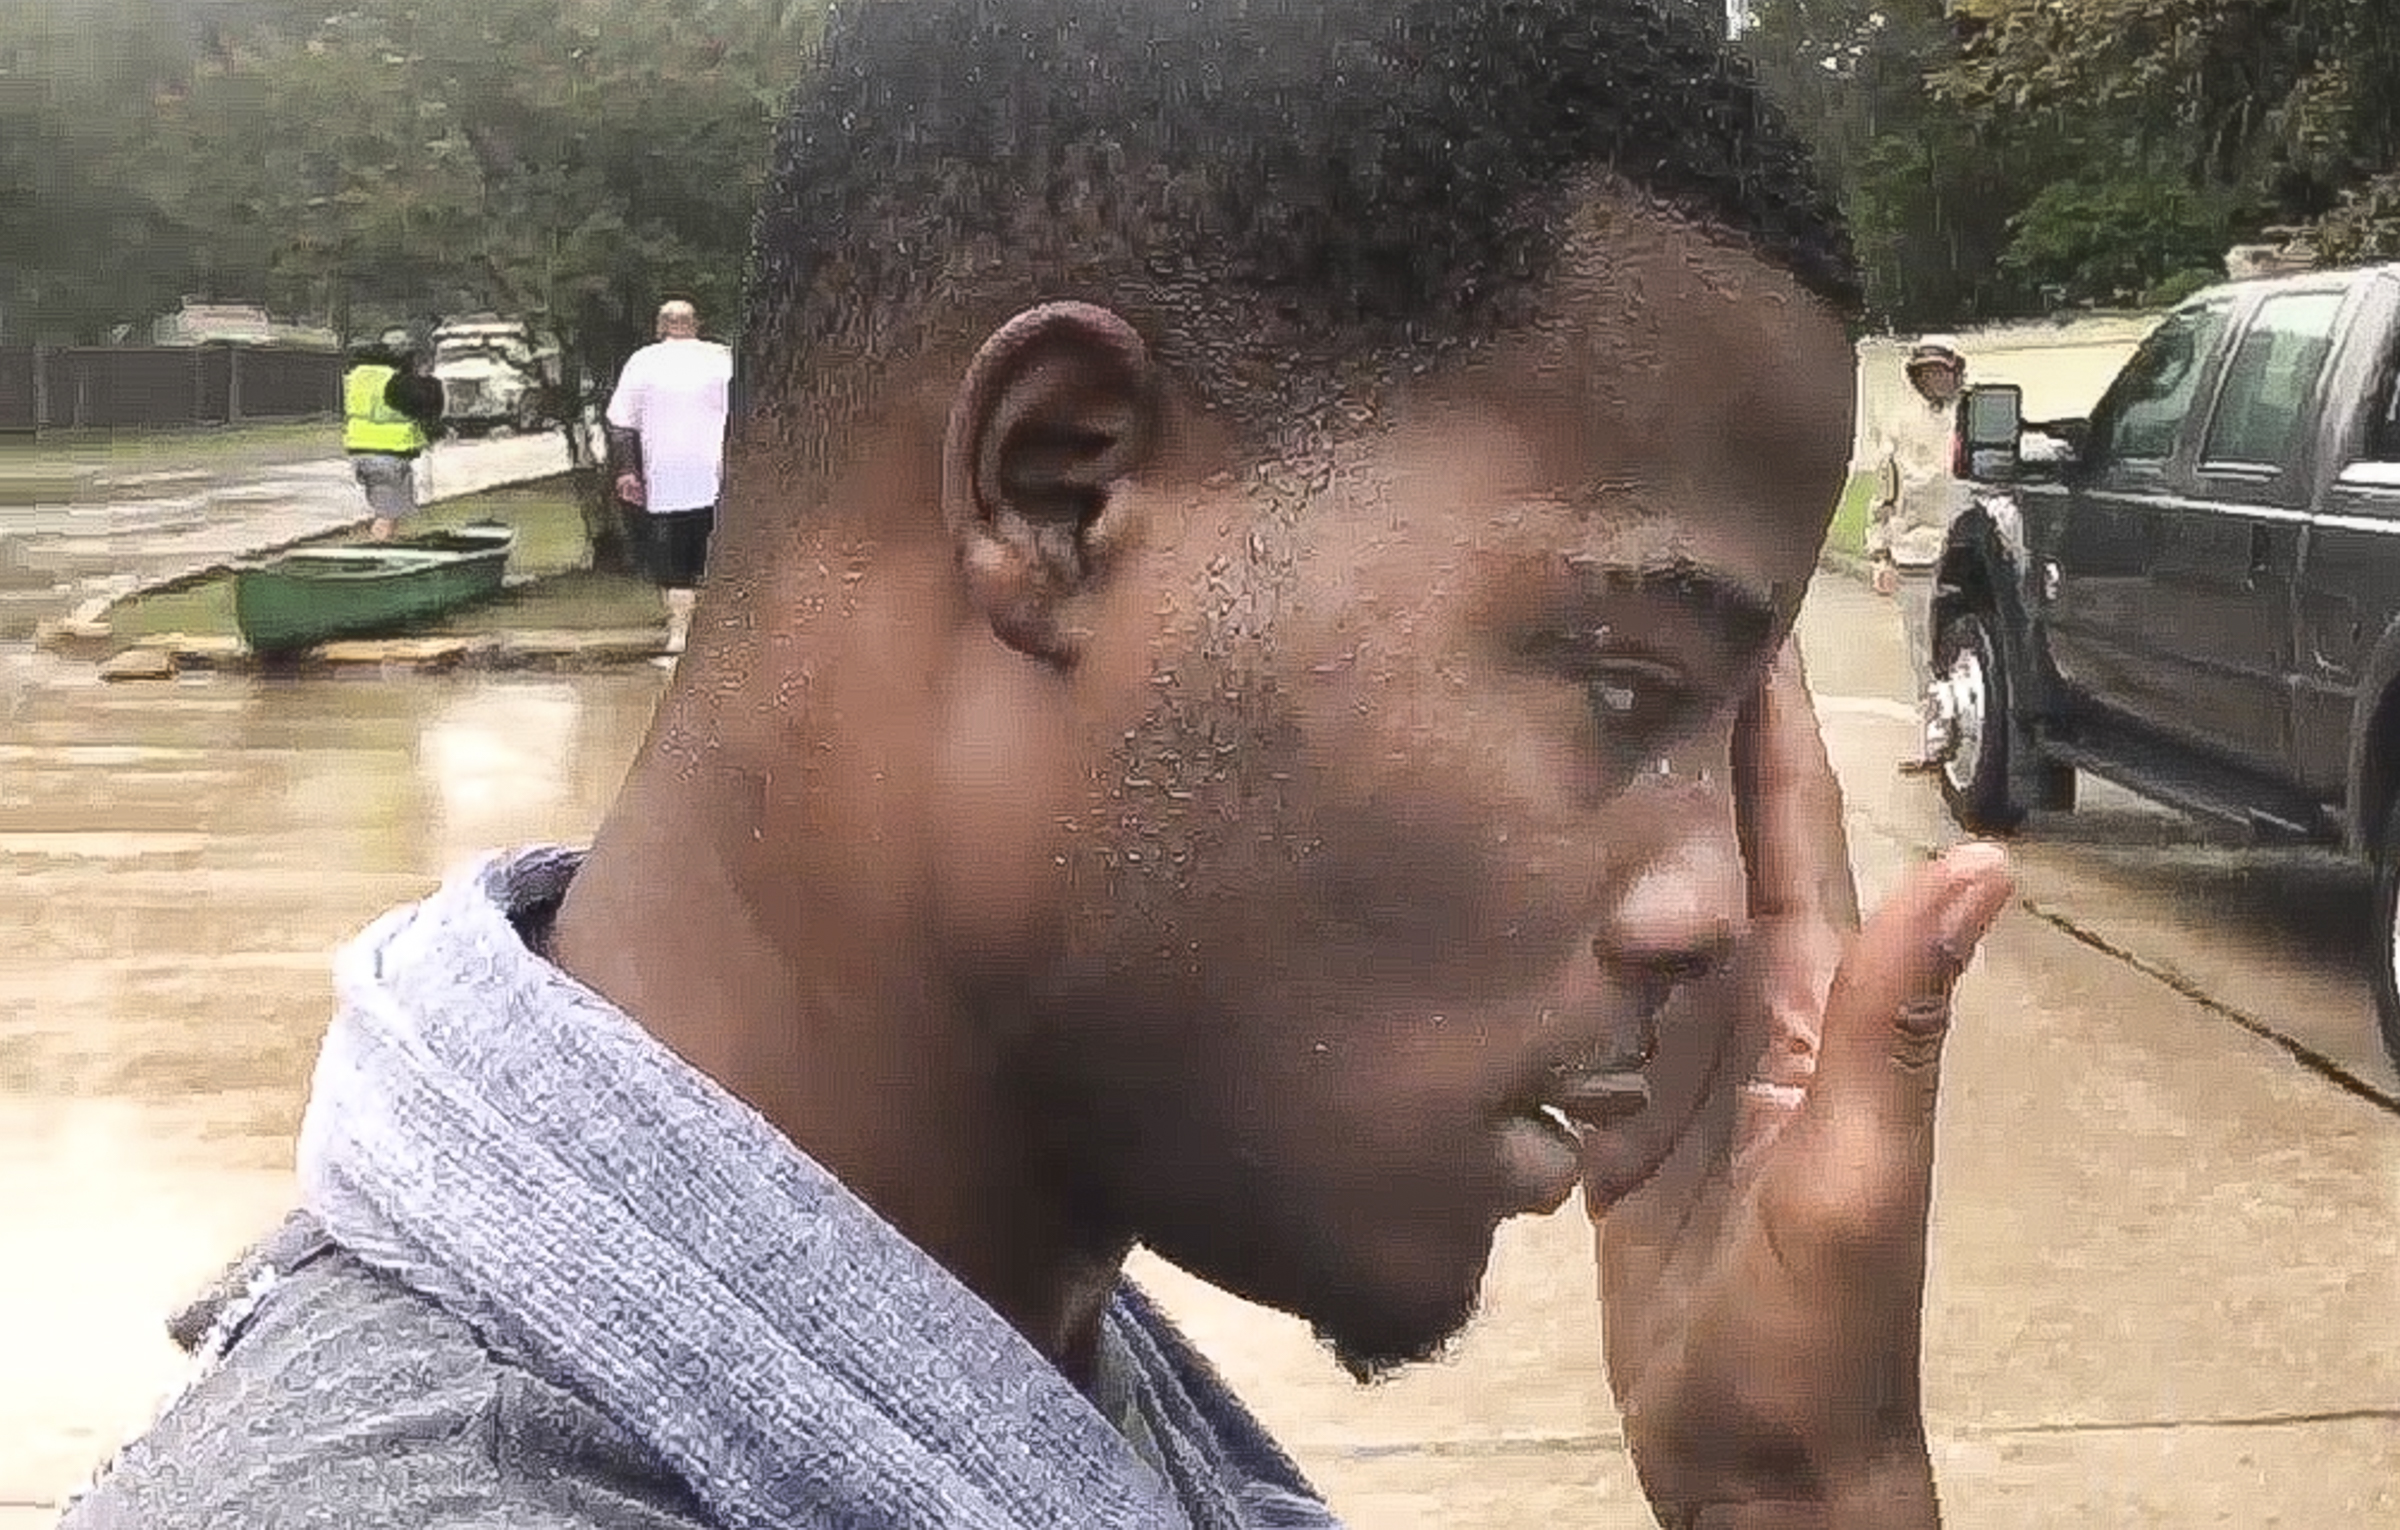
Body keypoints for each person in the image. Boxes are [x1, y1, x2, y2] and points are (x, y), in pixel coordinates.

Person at [63, 2, 2017, 1527]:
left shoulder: (1012, 1338)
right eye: (1622, 685)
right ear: (1058, 490)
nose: (1709, 905)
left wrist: (1795, 1492)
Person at [606, 299, 733, 660]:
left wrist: (627, 471)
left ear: (661, 326)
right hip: (719, 475)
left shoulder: (643, 362)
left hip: (666, 479)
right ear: (696, 324)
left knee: (675, 562)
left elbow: (621, 424)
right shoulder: (722, 359)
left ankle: (680, 635)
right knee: (717, 555)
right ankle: (721, 635)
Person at [1867, 335, 1970, 772]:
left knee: (1974, 652)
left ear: (1956, 372)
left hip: (1970, 557)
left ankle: (1974, 745)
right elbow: (1885, 495)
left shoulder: (1973, 417)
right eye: (1926, 372)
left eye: (1941, 370)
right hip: (1916, 556)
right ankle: (1933, 744)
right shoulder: (1901, 425)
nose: (1934, 379)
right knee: (1923, 653)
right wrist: (1880, 554)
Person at [342, 336, 444, 542]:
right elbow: (421, 403)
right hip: (388, 453)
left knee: (392, 511)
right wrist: (430, 384)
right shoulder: (393, 379)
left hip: (362, 450)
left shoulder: (357, 377)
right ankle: (377, 552)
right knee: (387, 515)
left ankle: (386, 546)